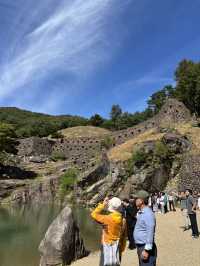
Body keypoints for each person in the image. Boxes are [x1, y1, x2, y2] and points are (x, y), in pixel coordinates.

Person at [91, 197, 127, 266]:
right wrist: (122, 249)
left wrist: (103, 204)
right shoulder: (123, 220)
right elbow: (124, 237)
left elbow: (93, 214)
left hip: (107, 246)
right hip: (117, 246)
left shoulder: (107, 218)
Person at [134, 190, 157, 266]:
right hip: (141, 246)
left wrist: (146, 250)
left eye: (136, 198)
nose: (135, 200)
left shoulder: (148, 214)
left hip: (145, 247)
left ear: (141, 201)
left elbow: (150, 232)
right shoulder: (141, 212)